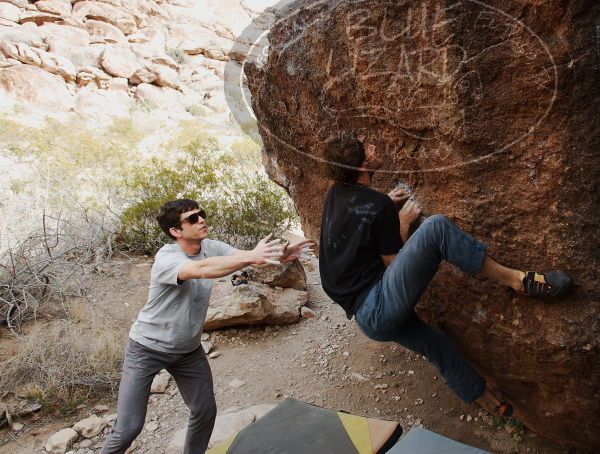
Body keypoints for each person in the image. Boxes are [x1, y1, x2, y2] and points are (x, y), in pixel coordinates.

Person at [318, 135, 571, 417]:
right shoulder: (376, 206)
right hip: (378, 305)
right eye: (367, 148)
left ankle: (489, 402)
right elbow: (394, 264)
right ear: (363, 166)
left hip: (367, 319)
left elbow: (359, 218)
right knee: (436, 228)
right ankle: (518, 280)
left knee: (434, 343)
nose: (373, 145)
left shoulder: (336, 194)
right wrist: (401, 222)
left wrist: (385, 204)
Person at [101, 199, 312, 454]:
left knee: (204, 410)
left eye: (201, 214)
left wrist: (279, 255)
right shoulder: (167, 258)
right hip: (147, 348)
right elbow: (201, 270)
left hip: (187, 349)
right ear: (175, 232)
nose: (201, 220)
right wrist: (253, 257)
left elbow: (243, 258)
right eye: (191, 219)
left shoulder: (209, 246)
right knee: (129, 427)